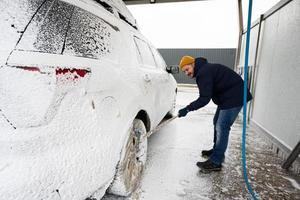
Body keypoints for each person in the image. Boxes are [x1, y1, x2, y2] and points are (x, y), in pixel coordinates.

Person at [177, 55, 252, 172]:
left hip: (235, 96)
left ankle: (216, 161)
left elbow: (204, 99)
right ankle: (216, 150)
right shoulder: (204, 70)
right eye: (184, 71)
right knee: (216, 122)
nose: (186, 73)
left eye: (187, 69)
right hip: (227, 97)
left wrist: (187, 109)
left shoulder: (203, 73)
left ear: (193, 64)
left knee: (222, 126)